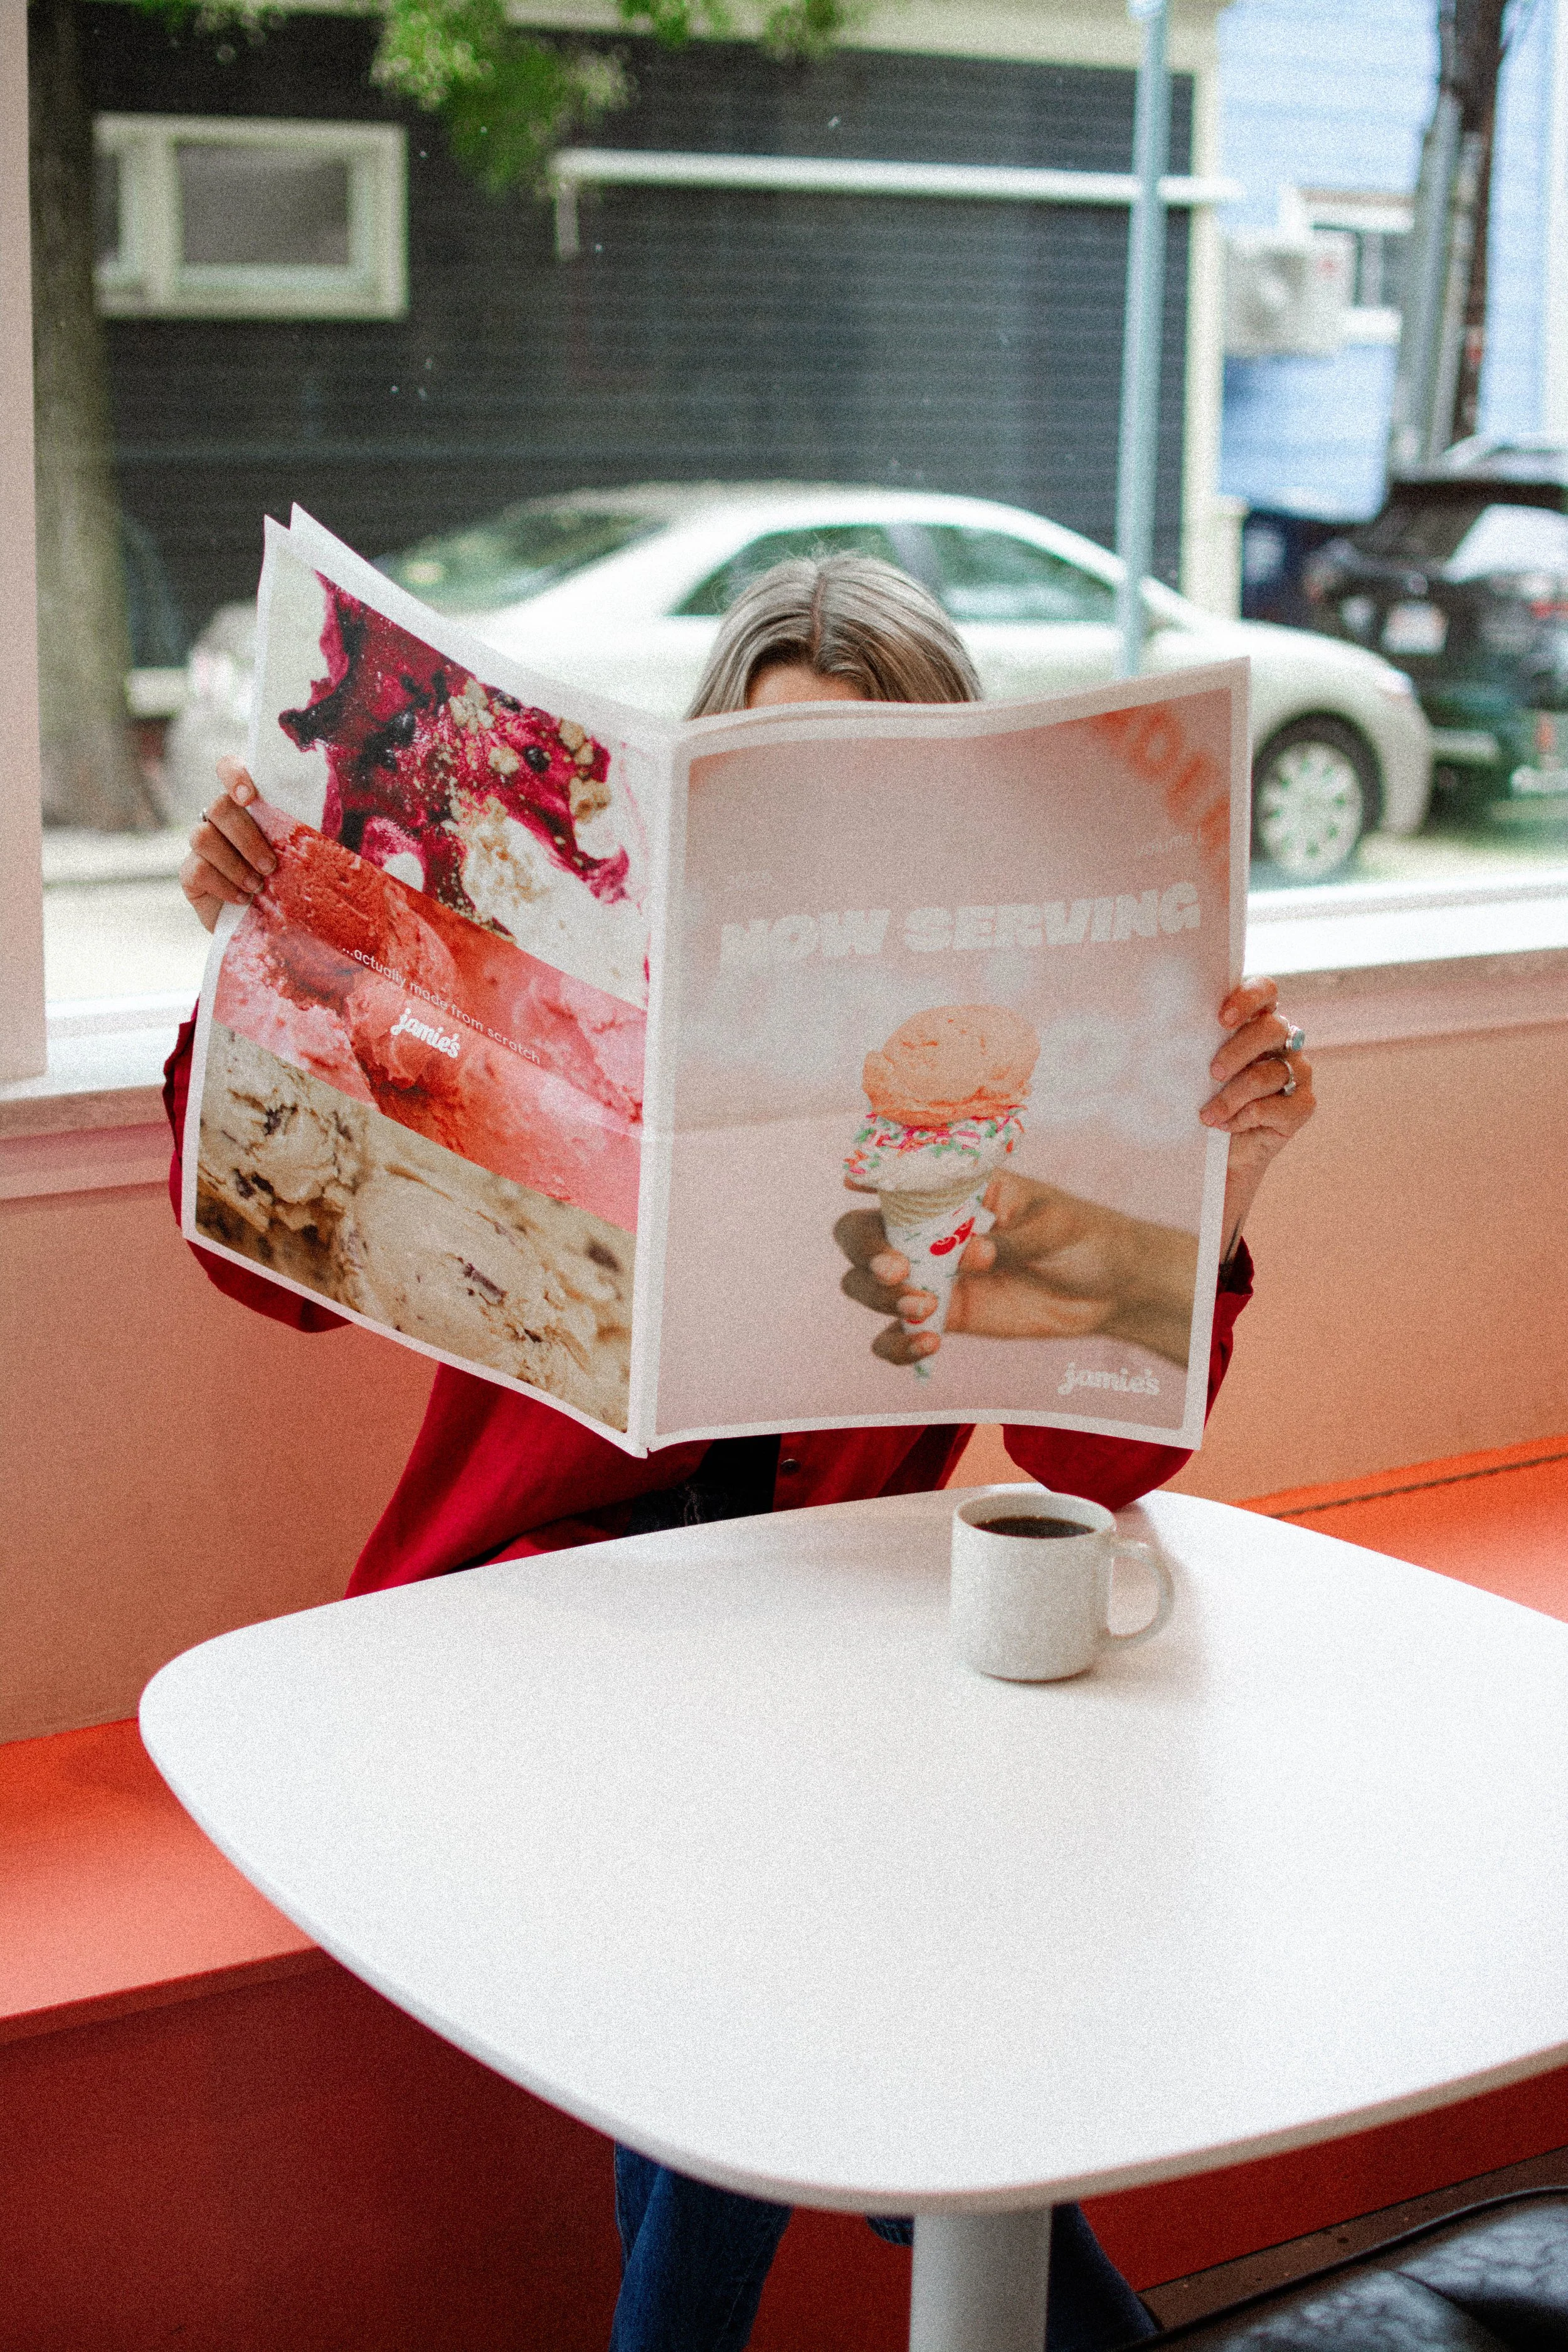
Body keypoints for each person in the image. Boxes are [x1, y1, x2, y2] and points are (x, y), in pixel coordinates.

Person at [168, 554, 1316, 2352]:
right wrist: (268, 960)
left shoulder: (962, 1080)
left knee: (769, 1998)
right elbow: (275, 1276)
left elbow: (1081, 1469)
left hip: (797, 1679)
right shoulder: (558, 1016)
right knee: (801, 2001)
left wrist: (1209, 1197)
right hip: (510, 1652)